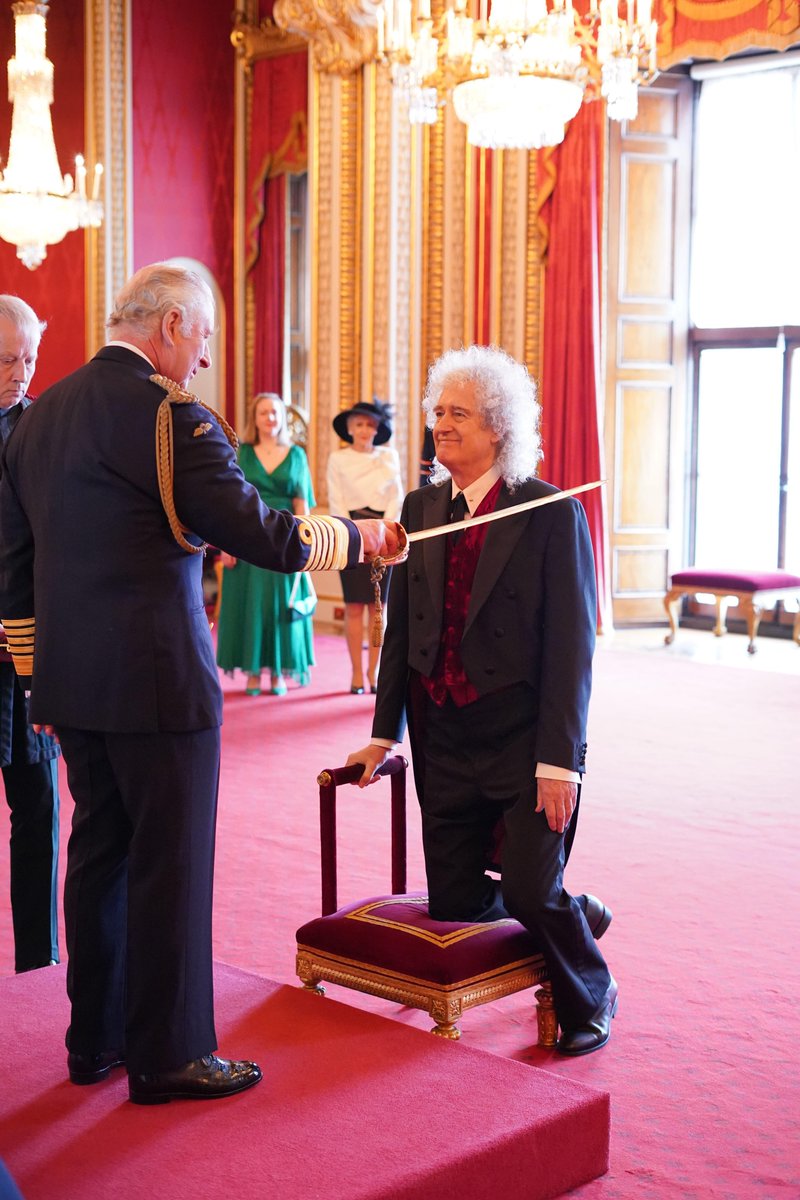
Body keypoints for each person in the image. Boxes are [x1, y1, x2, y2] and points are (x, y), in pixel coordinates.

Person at [0, 263, 400, 1104]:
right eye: (206, 337)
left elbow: (15, 567)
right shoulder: (170, 418)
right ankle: (170, 1054)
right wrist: (361, 538)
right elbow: (263, 533)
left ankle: (96, 1041)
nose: (206, 359)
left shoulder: (38, 421)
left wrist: (37, 678)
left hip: (70, 685)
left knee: (99, 856)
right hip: (158, 684)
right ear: (174, 324)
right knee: (170, 865)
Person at [346, 345, 617, 1057]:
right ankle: (572, 910)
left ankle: (590, 988)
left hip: (526, 740)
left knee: (527, 890)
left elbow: (571, 647)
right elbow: (401, 631)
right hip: (445, 736)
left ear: (497, 427)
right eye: (437, 411)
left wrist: (562, 761)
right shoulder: (419, 506)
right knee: (458, 904)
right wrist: (384, 731)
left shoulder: (549, 510)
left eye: (458, 414)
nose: (441, 424)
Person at [0, 295, 60, 975]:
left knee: (38, 810)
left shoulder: (48, 429)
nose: (21, 372)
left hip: (28, 655)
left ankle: (38, 963)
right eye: (8, 360)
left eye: (30, 359)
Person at [216, 391, 315, 696]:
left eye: (275, 412)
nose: (270, 418)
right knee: (251, 603)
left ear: (282, 417)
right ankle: (253, 670)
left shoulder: (296, 455)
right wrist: (226, 544)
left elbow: (302, 505)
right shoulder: (240, 453)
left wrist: (308, 546)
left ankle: (278, 672)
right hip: (247, 535)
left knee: (280, 606)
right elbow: (230, 503)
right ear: (254, 419)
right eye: (263, 413)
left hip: (285, 536)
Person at [327, 400, 403, 693]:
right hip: (352, 533)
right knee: (354, 606)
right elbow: (337, 500)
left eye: (370, 425)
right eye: (358, 424)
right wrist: (353, 536)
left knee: (378, 608)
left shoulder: (389, 456)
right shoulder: (338, 458)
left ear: (377, 429)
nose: (364, 430)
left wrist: (384, 532)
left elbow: (396, 495)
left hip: (383, 533)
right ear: (349, 429)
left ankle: (375, 671)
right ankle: (357, 674)